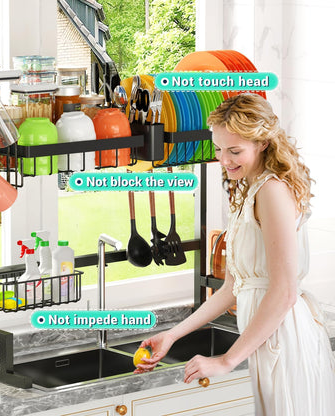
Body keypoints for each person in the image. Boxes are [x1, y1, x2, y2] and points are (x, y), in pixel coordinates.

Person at [136, 93, 335, 415]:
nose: (224, 160)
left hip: (284, 335)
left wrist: (226, 361)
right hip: (265, 336)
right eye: (218, 149)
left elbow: (284, 292)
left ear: (263, 144)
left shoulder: (271, 191)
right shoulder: (249, 191)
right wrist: (171, 336)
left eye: (234, 151)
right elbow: (231, 289)